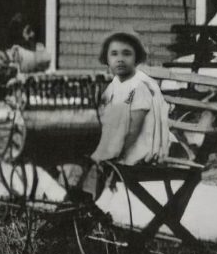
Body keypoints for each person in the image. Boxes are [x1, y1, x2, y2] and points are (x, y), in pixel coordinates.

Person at [70, 31, 171, 203]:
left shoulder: (139, 86)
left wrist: (113, 152)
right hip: (120, 141)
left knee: (96, 162)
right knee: (80, 156)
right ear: (107, 59)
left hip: (140, 145)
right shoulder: (114, 85)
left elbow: (135, 127)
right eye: (114, 54)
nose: (120, 59)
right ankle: (76, 200)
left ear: (136, 57)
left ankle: (83, 203)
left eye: (127, 54)